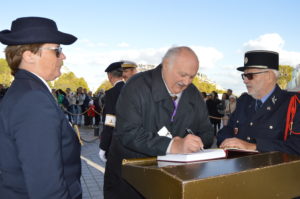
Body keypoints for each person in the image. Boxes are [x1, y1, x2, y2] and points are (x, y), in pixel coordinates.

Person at [104, 46, 214, 198]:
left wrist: (193, 143)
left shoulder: (193, 93)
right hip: (129, 180)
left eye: (192, 77)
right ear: (166, 64)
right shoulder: (137, 85)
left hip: (169, 180)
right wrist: (173, 145)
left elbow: (207, 132)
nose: (186, 82)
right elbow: (128, 132)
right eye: (183, 74)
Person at [0, 17, 82, 198]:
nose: (63, 56)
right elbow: (47, 189)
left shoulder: (26, 91)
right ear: (29, 55)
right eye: (57, 50)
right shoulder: (33, 99)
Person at [217, 50, 300, 155]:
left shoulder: (293, 104)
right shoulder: (244, 101)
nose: (245, 80)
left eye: (250, 75)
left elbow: (296, 146)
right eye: (244, 75)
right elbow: (227, 130)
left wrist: (254, 146)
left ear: (269, 76)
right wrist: (228, 142)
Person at [99, 62, 125, 162]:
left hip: (116, 141)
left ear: (110, 76)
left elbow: (110, 121)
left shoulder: (111, 93)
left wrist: (104, 146)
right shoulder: (132, 89)